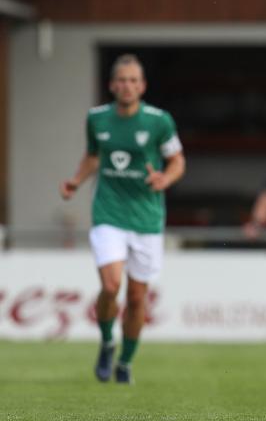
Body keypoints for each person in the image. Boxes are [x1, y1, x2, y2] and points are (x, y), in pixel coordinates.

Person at [59, 54, 186, 384]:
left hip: (146, 218)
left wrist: (165, 179)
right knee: (111, 285)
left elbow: (177, 161)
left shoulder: (159, 121)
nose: (127, 86)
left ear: (142, 86)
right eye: (122, 80)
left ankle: (125, 362)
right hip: (109, 212)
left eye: (134, 81)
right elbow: (92, 156)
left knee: (136, 297)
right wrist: (76, 180)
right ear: (112, 85)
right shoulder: (97, 119)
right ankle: (106, 341)